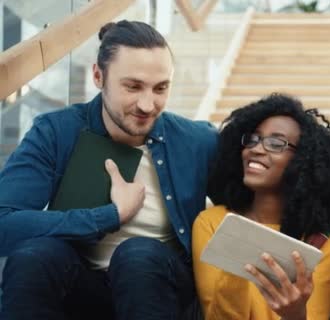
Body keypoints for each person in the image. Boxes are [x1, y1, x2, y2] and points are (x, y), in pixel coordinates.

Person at [0, 20, 217, 320]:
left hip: (159, 290)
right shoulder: (56, 132)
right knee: (34, 258)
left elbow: (254, 202)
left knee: (137, 254)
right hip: (81, 284)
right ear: (98, 76)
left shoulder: (197, 141)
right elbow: (4, 223)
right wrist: (109, 216)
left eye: (160, 88)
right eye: (133, 86)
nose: (147, 104)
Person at [192, 93, 330, 320]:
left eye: (276, 143)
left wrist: (295, 315)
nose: (256, 149)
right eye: (253, 139)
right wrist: (234, 261)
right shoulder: (212, 223)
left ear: (303, 160)